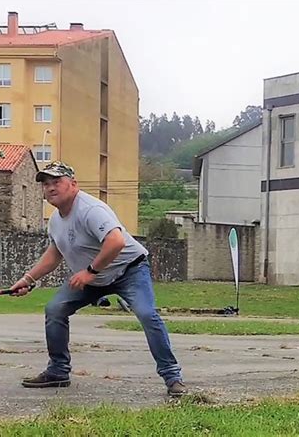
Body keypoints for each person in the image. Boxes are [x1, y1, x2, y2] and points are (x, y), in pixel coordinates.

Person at [10, 161, 186, 396]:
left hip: (128, 271)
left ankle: (172, 377)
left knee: (146, 314)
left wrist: (89, 272)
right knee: (55, 310)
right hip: (93, 278)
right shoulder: (55, 220)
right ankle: (58, 371)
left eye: (57, 182)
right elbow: (55, 254)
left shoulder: (91, 210)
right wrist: (28, 278)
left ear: (73, 184)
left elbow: (116, 241)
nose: (50, 188)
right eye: (46, 184)